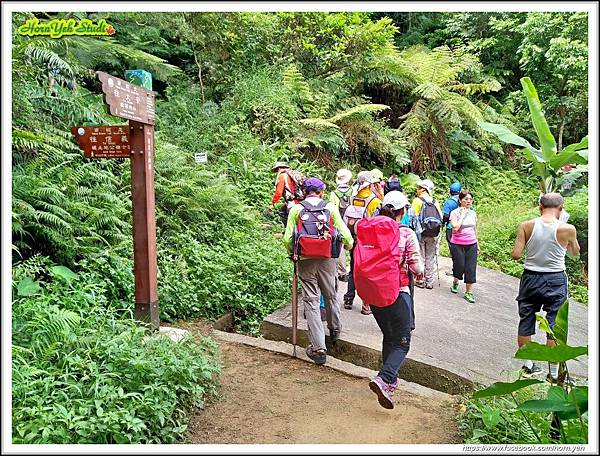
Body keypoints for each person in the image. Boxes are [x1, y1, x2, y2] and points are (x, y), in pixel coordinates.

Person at [284, 178, 354, 365]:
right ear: (321, 192)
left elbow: (287, 238)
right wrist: (347, 246)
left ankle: (318, 348)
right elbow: (346, 235)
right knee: (330, 294)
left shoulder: (297, 209)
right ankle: (335, 330)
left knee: (312, 301)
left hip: (305, 260)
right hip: (326, 259)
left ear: (305, 192)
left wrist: (293, 253)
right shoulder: (330, 208)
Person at [511, 192, 580, 382]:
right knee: (554, 324)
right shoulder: (567, 228)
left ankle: (529, 365)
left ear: (540, 207)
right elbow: (575, 254)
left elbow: (516, 255)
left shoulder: (526, 225)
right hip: (556, 279)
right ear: (561, 208)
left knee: (526, 319)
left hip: (530, 277)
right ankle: (554, 371)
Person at [365, 191, 424, 409]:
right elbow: (417, 266)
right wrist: (419, 273)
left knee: (389, 336)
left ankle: (387, 385)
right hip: (397, 291)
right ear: (403, 211)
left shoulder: (370, 228)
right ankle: (385, 377)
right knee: (402, 341)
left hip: (373, 293)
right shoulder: (406, 233)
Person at [343, 171, 382, 315]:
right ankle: (366, 305)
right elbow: (381, 220)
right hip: (368, 243)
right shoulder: (375, 201)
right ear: (371, 184)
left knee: (353, 269)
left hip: (353, 238)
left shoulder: (352, 198)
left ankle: (348, 298)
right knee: (367, 273)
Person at [411, 179, 442, 289]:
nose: (418, 190)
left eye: (419, 188)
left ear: (423, 189)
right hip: (433, 233)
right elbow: (440, 218)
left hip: (421, 233)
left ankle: (420, 280)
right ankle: (430, 281)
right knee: (430, 257)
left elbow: (413, 217)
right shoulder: (435, 201)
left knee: (420, 256)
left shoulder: (417, 201)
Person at [449, 190, 479, 303]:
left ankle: (469, 293)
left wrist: (478, 244)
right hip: (457, 244)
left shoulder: (473, 213)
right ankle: (455, 282)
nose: (468, 201)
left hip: (471, 243)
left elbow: (475, 229)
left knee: (470, 268)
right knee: (459, 266)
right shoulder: (454, 213)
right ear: (460, 200)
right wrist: (462, 215)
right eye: (466, 199)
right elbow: (455, 228)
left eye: (470, 199)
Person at [329, 168, 353, 282]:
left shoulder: (333, 194)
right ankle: (353, 269)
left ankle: (342, 272)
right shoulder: (353, 191)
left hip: (339, 221)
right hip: (352, 221)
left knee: (341, 246)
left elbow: (332, 209)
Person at [268, 162, 301, 227]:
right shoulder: (293, 175)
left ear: (279, 168)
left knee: (289, 217)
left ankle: (290, 232)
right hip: (301, 200)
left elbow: (279, 192)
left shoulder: (282, 176)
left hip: (292, 202)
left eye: (276, 170)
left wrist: (272, 203)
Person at [442, 182, 462, 276]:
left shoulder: (449, 202)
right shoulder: (464, 200)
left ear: (450, 191)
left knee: (453, 249)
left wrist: (442, 225)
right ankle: (461, 269)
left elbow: (445, 215)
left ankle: (455, 270)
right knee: (461, 249)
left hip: (451, 229)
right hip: (462, 228)